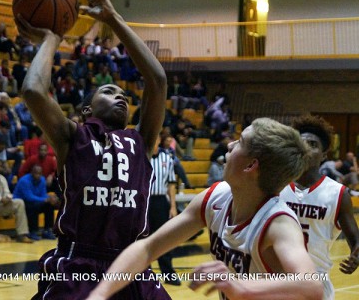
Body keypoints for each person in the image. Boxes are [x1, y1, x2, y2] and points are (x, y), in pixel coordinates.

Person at [17, 0, 168, 299]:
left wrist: (113, 18)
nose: (121, 96)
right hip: (79, 263)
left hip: (133, 263)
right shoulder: (74, 136)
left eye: (123, 94)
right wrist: (52, 38)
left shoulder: (141, 139)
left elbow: (156, 80)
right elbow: (32, 90)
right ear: (86, 111)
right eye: (108, 91)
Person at [84, 117, 322, 300]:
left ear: (251, 165)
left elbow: (312, 285)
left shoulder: (278, 224)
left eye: (239, 142)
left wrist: (241, 287)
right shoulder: (215, 198)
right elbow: (148, 247)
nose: (229, 145)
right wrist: (100, 293)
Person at [280, 115, 359, 300]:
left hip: (314, 280)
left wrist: (356, 256)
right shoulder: (277, 185)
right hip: (277, 278)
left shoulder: (338, 194)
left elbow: (356, 243)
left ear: (324, 154)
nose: (306, 149)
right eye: (301, 144)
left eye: (313, 144)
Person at [149, 136, 179, 285]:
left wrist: (173, 206)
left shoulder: (167, 158)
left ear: (158, 140)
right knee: (141, 238)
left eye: (154, 140)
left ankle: (168, 273)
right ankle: (144, 274)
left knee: (164, 239)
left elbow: (171, 184)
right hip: (143, 201)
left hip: (160, 201)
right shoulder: (140, 155)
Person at [13, 164, 58, 240]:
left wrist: (50, 198)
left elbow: (43, 194)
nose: (38, 175)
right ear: (31, 173)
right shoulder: (24, 181)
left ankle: (47, 230)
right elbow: (29, 197)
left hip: (36, 201)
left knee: (49, 205)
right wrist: (44, 199)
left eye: (40, 173)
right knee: (33, 206)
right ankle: (33, 231)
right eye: (36, 173)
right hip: (22, 203)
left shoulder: (42, 180)